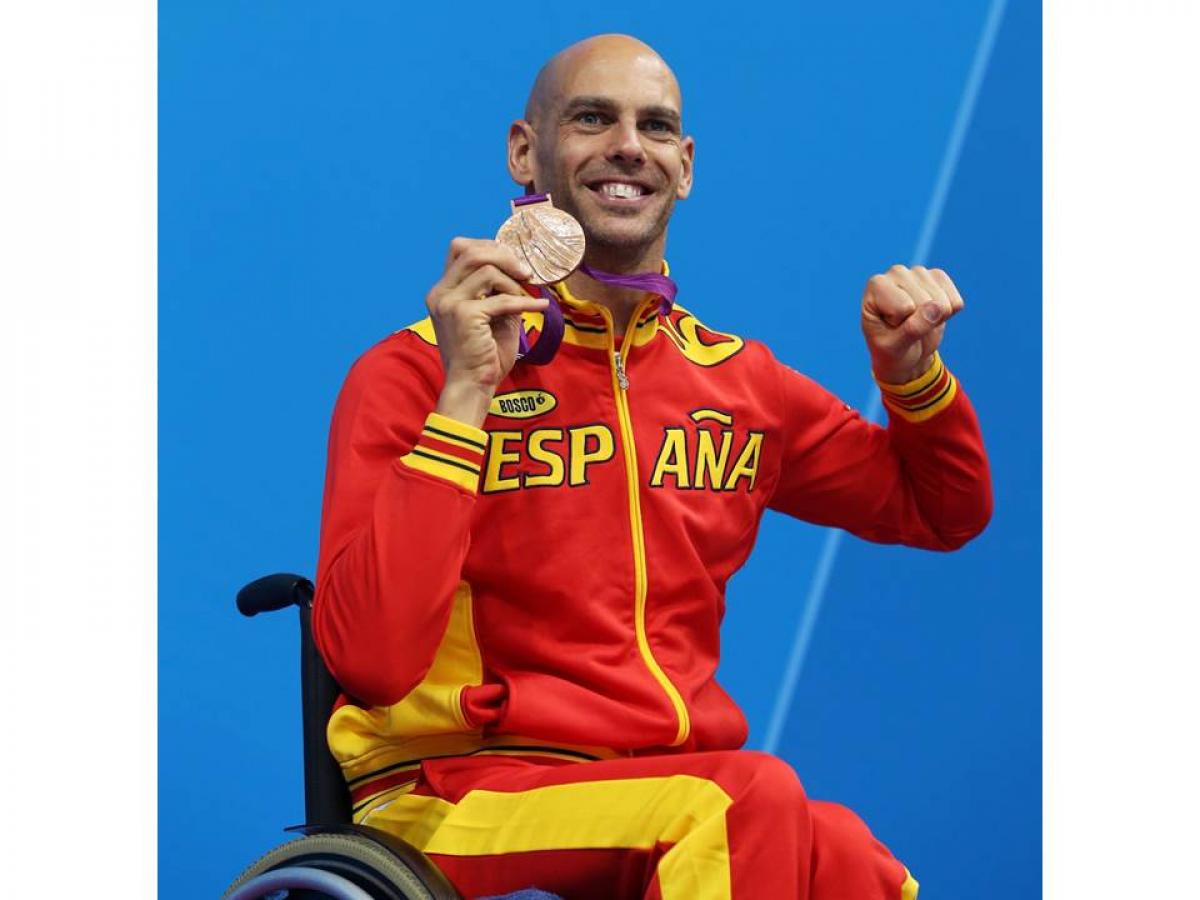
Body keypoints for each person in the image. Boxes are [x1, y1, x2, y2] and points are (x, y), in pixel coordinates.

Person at [312, 33, 991, 900]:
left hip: (673, 783)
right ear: (526, 151)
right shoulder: (413, 373)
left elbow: (941, 508)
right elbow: (370, 659)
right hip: (455, 793)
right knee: (745, 801)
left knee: (854, 863)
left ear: (686, 164)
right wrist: (467, 393)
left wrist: (910, 377)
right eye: (593, 118)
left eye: (656, 126)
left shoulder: (740, 383)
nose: (629, 146)